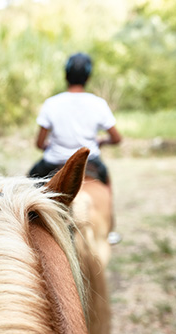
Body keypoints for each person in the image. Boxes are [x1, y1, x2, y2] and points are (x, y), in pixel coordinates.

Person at [28, 52, 122, 243]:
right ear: (87, 78)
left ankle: (28, 226)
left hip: (53, 160)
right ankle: (110, 228)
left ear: (66, 75)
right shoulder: (98, 104)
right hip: (89, 160)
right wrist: (102, 141)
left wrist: (48, 145)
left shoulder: (51, 103)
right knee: (106, 180)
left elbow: (39, 143)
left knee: (30, 181)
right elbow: (116, 138)